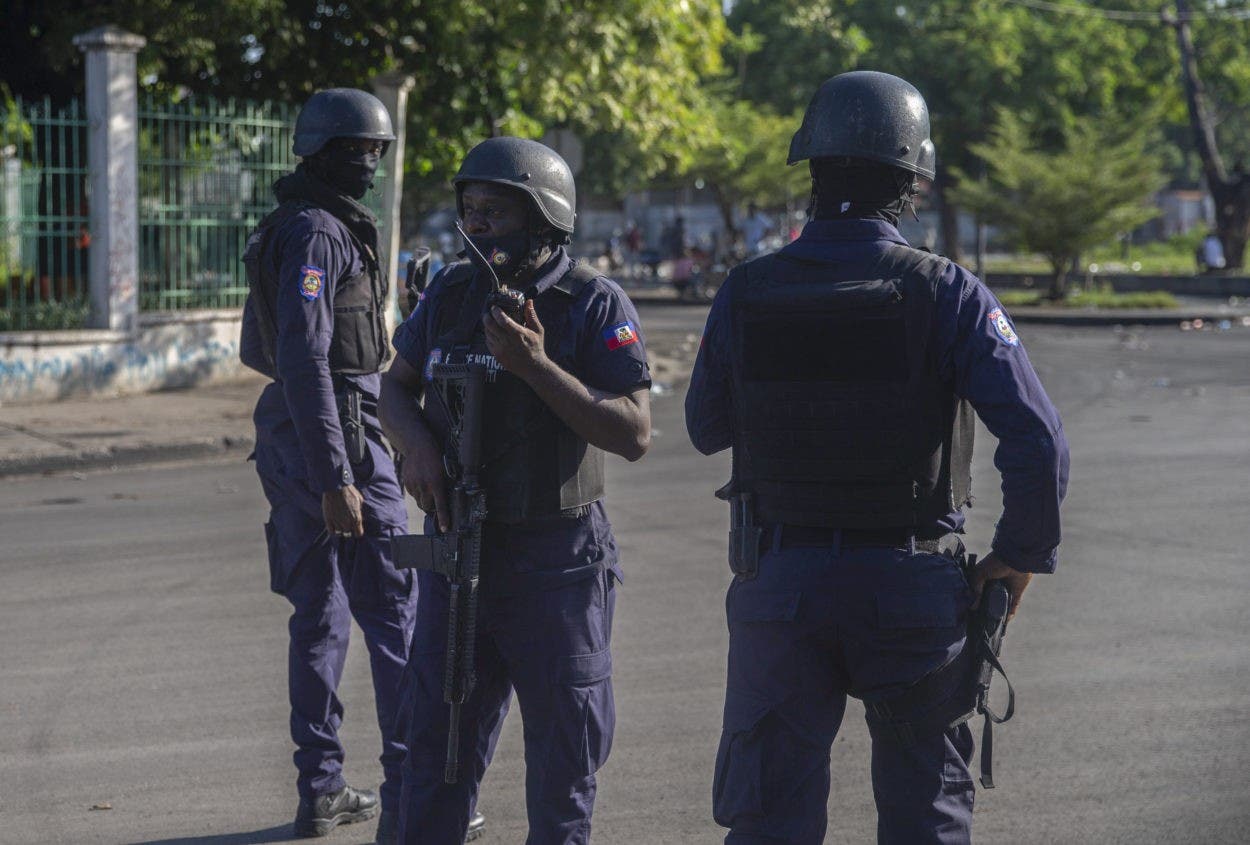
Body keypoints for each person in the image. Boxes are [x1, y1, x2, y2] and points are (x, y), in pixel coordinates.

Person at [685, 70, 1070, 845]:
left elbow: (704, 426)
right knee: (925, 819)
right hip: (910, 589)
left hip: (782, 585)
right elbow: (1038, 437)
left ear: (813, 172)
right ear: (912, 181)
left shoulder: (746, 288)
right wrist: (1018, 556)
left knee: (768, 822)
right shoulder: (949, 291)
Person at [378, 136, 652, 844]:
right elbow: (393, 387)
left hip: (556, 562)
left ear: (542, 217)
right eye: (469, 211)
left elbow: (632, 431)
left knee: (563, 765)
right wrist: (416, 447)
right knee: (435, 758)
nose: (477, 229)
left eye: (494, 213)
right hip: (459, 553)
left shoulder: (591, 302)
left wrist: (535, 366)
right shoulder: (449, 292)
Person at [238, 88, 421, 843]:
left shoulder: (304, 224)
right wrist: (338, 477)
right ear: (320, 154)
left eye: (377, 151)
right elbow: (306, 359)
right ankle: (415, 789)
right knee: (392, 616)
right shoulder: (317, 234)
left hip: (301, 438)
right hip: (336, 439)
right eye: (358, 151)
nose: (370, 164)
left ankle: (323, 789)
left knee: (320, 620)